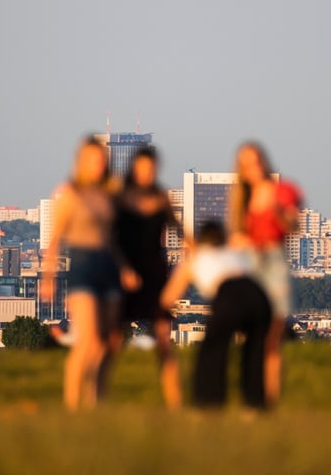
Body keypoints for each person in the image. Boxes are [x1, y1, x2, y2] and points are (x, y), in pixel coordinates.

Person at [41, 137, 136, 411]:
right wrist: (48, 278)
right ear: (81, 162)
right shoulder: (70, 193)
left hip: (108, 264)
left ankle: (96, 401)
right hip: (82, 266)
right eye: (93, 159)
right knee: (89, 341)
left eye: (102, 159)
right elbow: (55, 237)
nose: (98, 165)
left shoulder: (108, 194)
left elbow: (111, 238)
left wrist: (125, 267)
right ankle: (73, 405)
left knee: (109, 343)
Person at [161, 219, 270, 410]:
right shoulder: (235, 253)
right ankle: (255, 406)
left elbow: (169, 298)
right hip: (258, 295)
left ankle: (208, 403)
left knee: (212, 350)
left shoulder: (195, 259)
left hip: (229, 294)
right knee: (254, 352)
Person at [228, 142, 302, 407]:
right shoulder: (241, 197)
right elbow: (238, 236)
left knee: (272, 335)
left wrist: (278, 210)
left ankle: (269, 399)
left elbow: (293, 226)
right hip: (248, 263)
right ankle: (251, 396)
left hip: (273, 261)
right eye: (247, 163)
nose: (254, 167)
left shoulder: (284, 191)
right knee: (250, 334)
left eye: (257, 160)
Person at [113, 147, 183, 409]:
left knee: (164, 339)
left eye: (151, 169)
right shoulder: (121, 199)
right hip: (127, 276)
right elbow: (113, 239)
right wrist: (122, 268)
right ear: (134, 168)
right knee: (111, 340)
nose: (147, 174)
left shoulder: (161, 198)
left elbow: (179, 230)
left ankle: (175, 402)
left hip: (155, 275)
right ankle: (99, 398)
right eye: (142, 168)